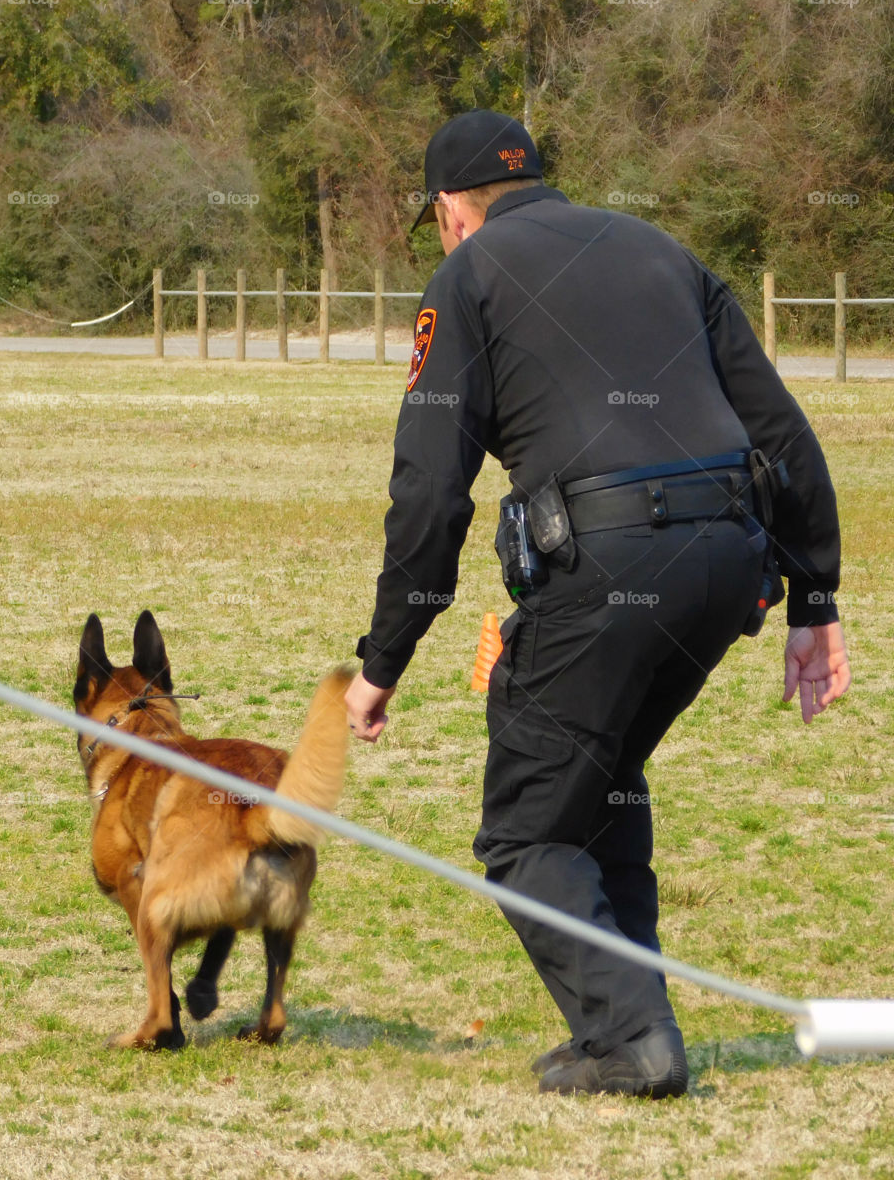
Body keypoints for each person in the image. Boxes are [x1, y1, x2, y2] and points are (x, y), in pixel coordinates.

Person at [344, 109, 851, 1099]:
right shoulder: (662, 250)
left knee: (526, 827)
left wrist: (383, 660)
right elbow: (782, 430)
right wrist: (814, 598)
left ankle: (632, 1043)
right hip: (728, 561)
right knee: (601, 772)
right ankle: (623, 1024)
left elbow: (430, 493)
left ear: (450, 210)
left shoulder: (467, 278)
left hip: (610, 559)